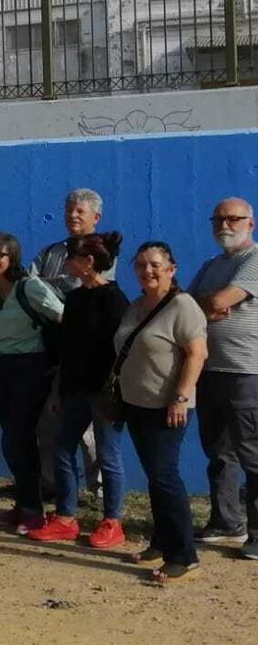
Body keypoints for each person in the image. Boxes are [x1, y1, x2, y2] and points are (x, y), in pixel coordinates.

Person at [27, 233, 130, 548]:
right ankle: (66, 518)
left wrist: (114, 395)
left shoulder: (115, 299)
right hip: (73, 391)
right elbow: (67, 350)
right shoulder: (73, 300)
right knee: (61, 448)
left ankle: (113, 522)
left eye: (71, 258)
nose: (66, 263)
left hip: (104, 394)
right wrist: (60, 391)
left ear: (88, 263)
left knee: (108, 456)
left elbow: (121, 352)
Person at [117, 241, 209, 583]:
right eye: (141, 265)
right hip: (137, 404)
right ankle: (161, 541)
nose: (147, 270)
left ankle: (184, 556)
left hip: (167, 407)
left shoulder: (183, 306)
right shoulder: (137, 305)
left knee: (165, 477)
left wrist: (180, 398)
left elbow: (197, 354)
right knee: (156, 478)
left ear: (172, 268)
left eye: (155, 264)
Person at [0, 232, 64, 533]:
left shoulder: (29, 287)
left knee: (18, 438)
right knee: (13, 441)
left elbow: (62, 317)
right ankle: (25, 503)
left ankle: (33, 511)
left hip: (29, 368)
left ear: (13, 257)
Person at [186, 197, 258, 560]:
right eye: (218, 220)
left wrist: (209, 303)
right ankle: (227, 522)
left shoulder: (255, 260)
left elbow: (218, 302)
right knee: (218, 451)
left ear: (251, 223)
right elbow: (184, 305)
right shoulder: (210, 264)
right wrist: (206, 303)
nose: (225, 225)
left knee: (253, 454)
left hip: (246, 371)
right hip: (209, 370)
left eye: (233, 219)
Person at [31, 189, 113, 296]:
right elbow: (28, 283)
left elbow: (78, 286)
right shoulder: (49, 252)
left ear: (96, 218)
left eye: (80, 211)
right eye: (69, 210)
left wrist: (41, 283)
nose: (73, 215)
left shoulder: (104, 251)